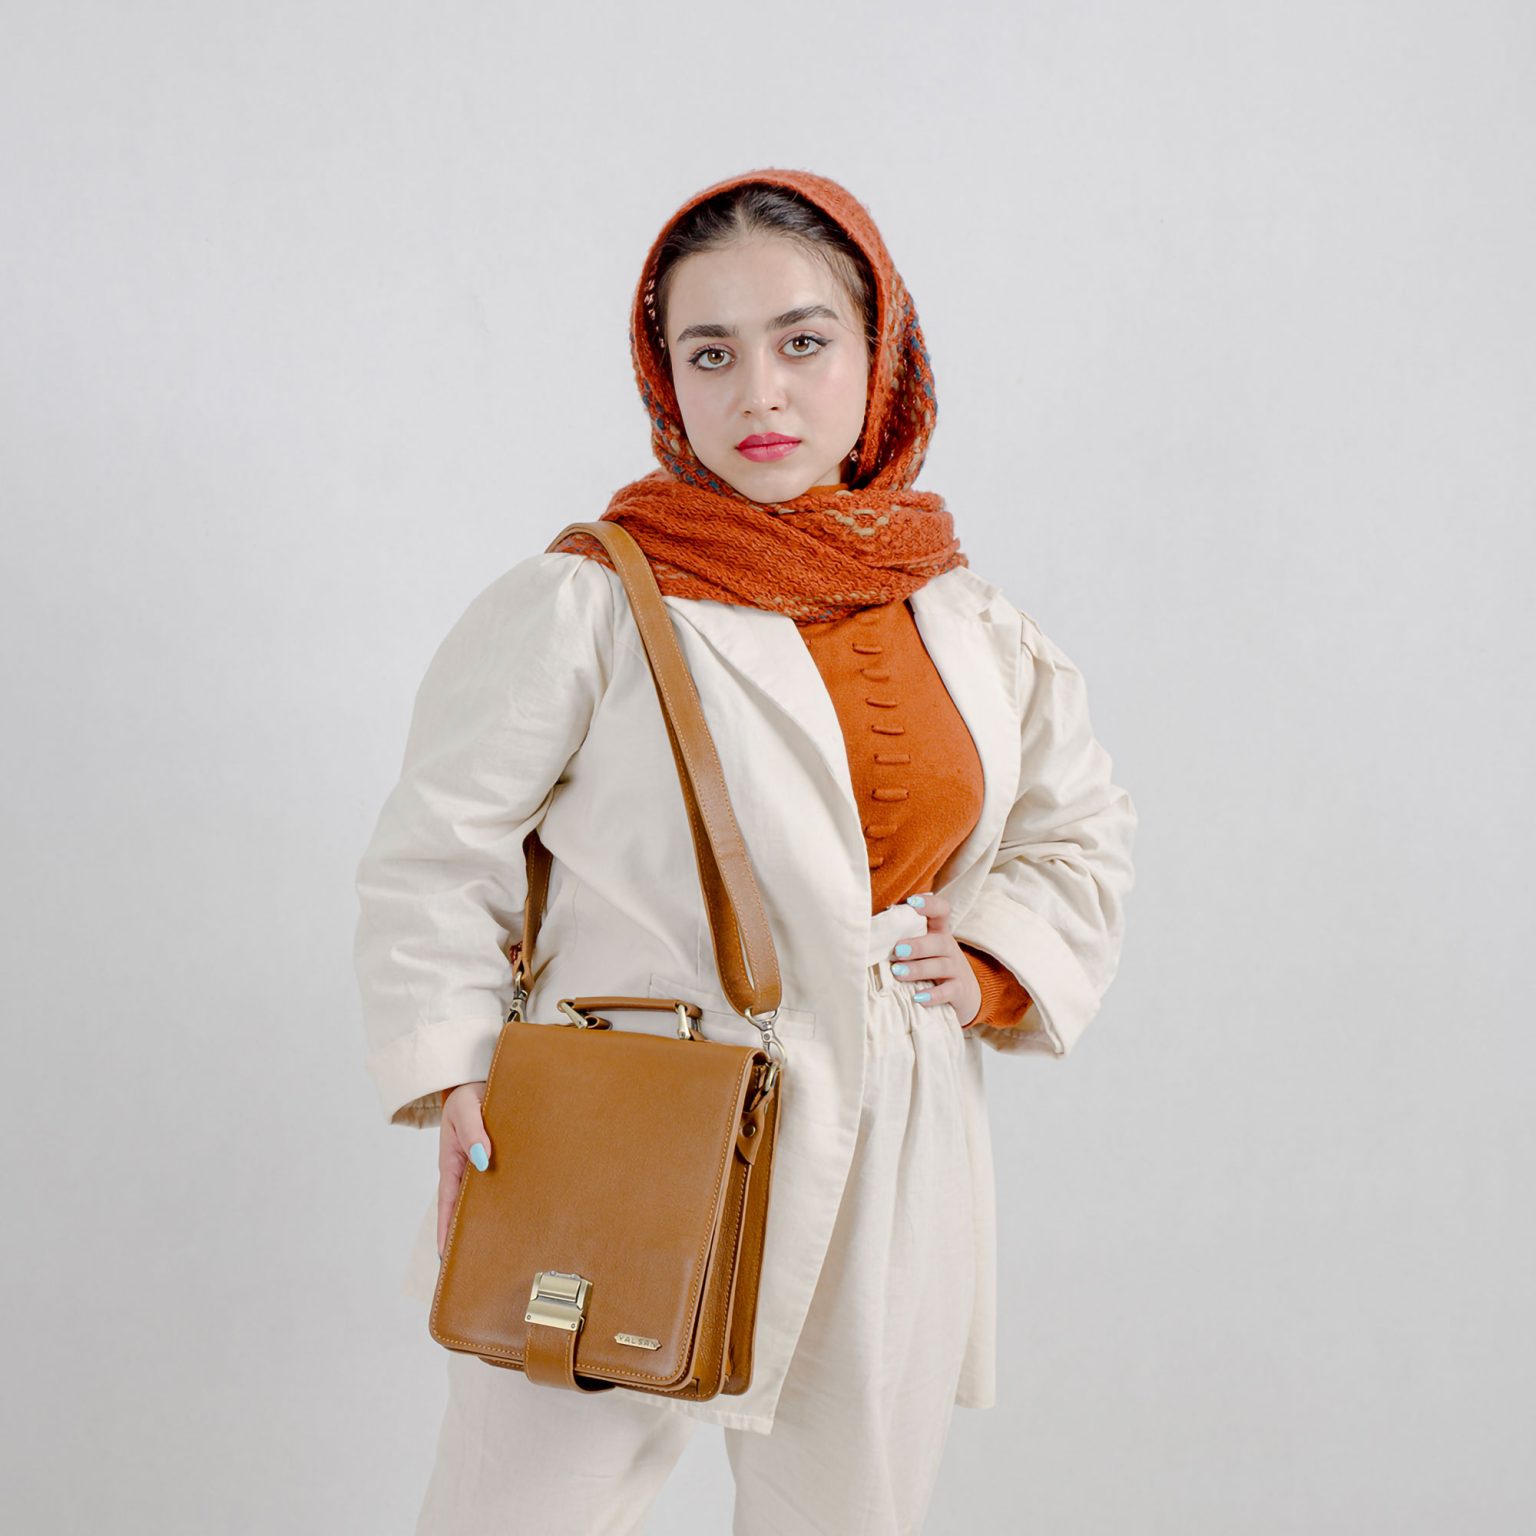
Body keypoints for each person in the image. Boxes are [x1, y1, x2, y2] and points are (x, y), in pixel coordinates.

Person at [353, 166, 1138, 1534]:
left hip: (890, 1123)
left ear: (880, 353)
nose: (758, 393)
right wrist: (457, 1068)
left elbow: (1077, 828)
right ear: (664, 376)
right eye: (709, 353)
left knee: (846, 1513)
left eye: (803, 341)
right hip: (621, 1115)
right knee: (523, 1513)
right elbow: (436, 849)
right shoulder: (589, 598)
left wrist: (994, 961)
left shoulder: (964, 614)